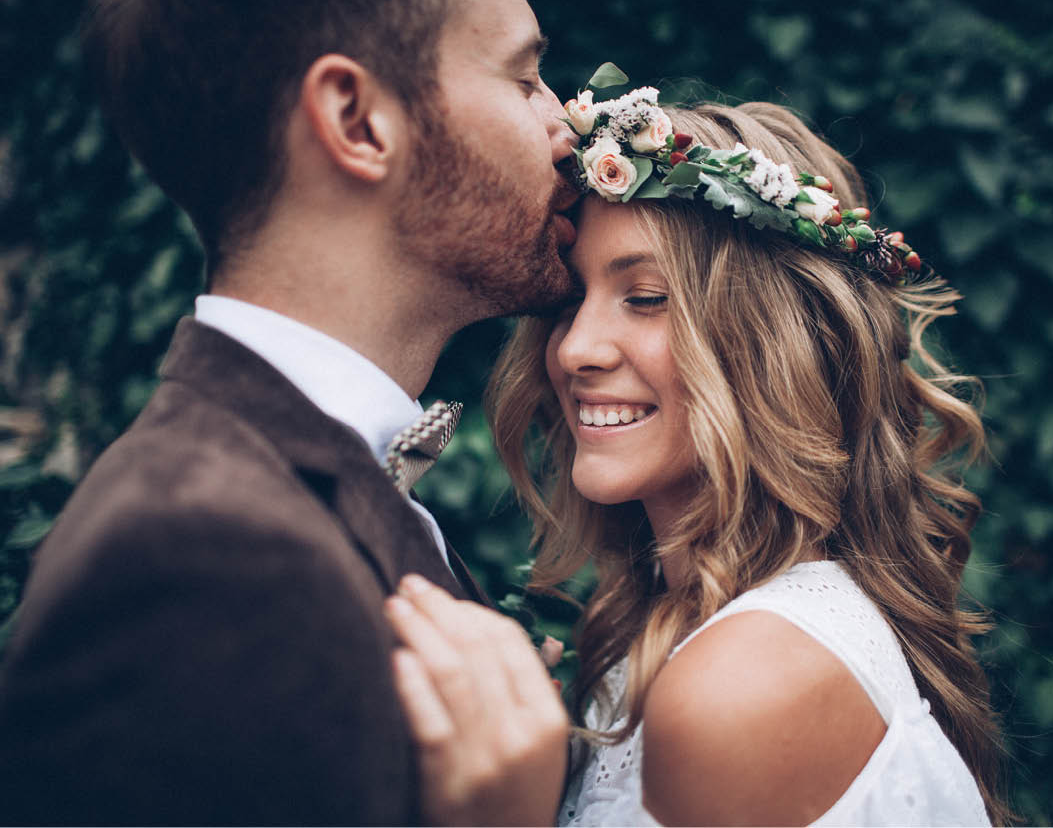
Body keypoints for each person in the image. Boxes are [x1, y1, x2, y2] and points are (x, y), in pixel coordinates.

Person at [0, 0, 577, 823]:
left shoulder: (294, 486)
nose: (568, 124)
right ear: (356, 121)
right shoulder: (197, 555)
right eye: (524, 80)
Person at [384, 88, 1010, 825]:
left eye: (647, 297)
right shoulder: (678, 631)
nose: (576, 349)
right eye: (568, 302)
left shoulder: (745, 681)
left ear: (776, 344)